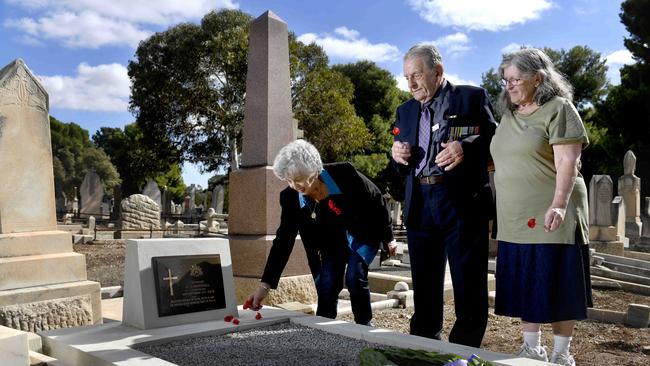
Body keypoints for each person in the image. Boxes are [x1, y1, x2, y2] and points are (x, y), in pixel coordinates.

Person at [490, 48, 592, 366]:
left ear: (539, 78)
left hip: (553, 210)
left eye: (516, 79)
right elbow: (498, 160)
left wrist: (559, 204)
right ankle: (531, 347)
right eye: (506, 79)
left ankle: (562, 353)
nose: (509, 85)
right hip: (514, 215)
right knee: (525, 278)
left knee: (558, 280)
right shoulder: (507, 117)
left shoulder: (558, 109)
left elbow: (568, 160)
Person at [391, 44, 497, 347]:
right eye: (406, 77)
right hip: (419, 201)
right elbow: (400, 164)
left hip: (461, 201)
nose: (410, 84)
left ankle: (463, 349)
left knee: (467, 280)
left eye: (416, 75)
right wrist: (396, 155)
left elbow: (495, 139)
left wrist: (466, 147)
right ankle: (425, 344)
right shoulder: (404, 111)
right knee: (424, 280)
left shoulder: (471, 97)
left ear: (437, 71)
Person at [246, 139, 395, 325]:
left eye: (298, 178)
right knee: (327, 285)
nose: (295, 185)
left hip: (362, 233)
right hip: (331, 243)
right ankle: (324, 328)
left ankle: (364, 326)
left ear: (314, 170)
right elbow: (283, 240)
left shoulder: (345, 174)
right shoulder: (290, 198)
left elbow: (377, 200)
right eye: (289, 180)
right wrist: (265, 286)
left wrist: (389, 238)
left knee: (354, 277)